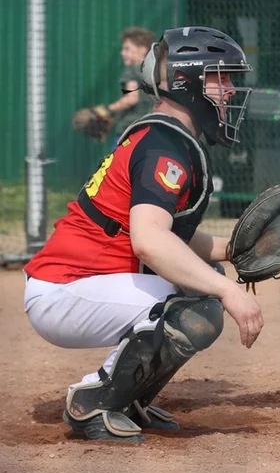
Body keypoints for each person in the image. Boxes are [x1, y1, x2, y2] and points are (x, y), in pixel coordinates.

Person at [23, 26, 265, 443]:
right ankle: (93, 400)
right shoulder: (164, 146)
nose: (229, 89)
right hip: (65, 289)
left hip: (80, 284)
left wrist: (230, 250)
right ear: (188, 82)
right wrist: (230, 294)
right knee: (201, 301)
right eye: (219, 77)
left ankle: (128, 397)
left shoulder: (168, 138)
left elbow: (165, 236)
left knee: (203, 283)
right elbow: (149, 242)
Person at [105, 27, 157, 147]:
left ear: (142, 50)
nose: (122, 53)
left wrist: (108, 110)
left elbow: (131, 98)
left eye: (127, 48)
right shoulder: (155, 71)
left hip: (129, 131)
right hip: (151, 130)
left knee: (118, 164)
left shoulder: (132, 70)